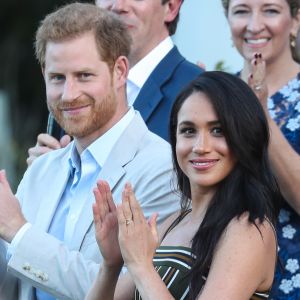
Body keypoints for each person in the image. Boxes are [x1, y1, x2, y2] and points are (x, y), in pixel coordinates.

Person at [0, 3, 180, 299]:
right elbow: (14, 282)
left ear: (120, 71)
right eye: (58, 78)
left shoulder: (163, 170)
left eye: (84, 75)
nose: (69, 94)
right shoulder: (41, 171)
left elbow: (122, 291)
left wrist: (18, 231)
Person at [85, 71, 281, 300]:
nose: (201, 146)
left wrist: (141, 266)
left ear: (244, 137)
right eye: (188, 131)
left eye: (218, 130)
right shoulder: (172, 223)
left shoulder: (248, 228)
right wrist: (111, 263)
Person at [26, 0, 203, 166]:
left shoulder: (201, 93)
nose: (118, 6)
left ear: (171, 6)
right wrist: (47, 176)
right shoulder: (67, 88)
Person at [221, 0, 300, 298]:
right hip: (222, 278)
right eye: (241, 11)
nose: (254, 25)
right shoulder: (215, 94)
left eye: (270, 10)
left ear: (294, 20)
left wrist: (259, 111)